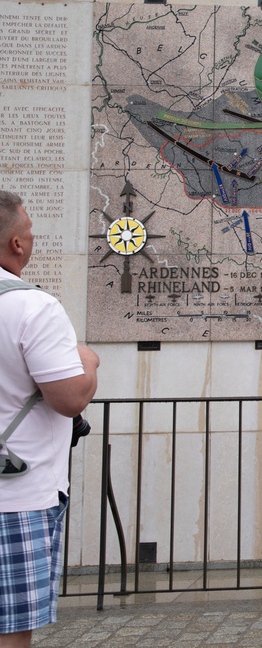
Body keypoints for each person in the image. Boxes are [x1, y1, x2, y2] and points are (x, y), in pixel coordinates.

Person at [0, 191, 100, 647]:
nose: (33, 238)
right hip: (15, 495)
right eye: (31, 231)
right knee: (10, 630)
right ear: (16, 245)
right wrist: (88, 361)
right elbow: (69, 398)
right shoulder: (31, 307)